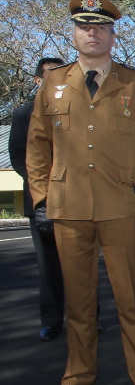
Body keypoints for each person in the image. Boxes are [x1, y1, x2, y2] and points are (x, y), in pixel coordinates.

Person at [27, 0, 135, 385]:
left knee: (132, 304)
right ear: (74, 33)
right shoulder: (54, 84)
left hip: (121, 209)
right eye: (84, 26)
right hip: (68, 208)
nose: (92, 33)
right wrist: (41, 199)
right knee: (78, 305)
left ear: (113, 34)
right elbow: (37, 145)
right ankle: (78, 380)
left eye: (100, 27)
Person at [9, 56, 65, 342]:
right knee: (49, 266)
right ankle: (52, 319)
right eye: (50, 74)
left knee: (83, 265)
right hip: (40, 201)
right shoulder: (23, 114)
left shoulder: (76, 110)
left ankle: (89, 317)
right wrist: (43, 188)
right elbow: (20, 158)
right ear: (37, 80)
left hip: (75, 199)